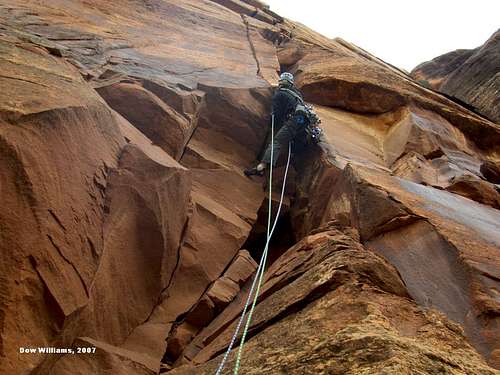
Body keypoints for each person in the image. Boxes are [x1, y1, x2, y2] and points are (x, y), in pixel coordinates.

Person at [244, 72, 310, 177]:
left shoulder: (279, 94)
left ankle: (261, 167)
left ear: (280, 83)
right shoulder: (297, 94)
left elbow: (276, 114)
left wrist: (271, 124)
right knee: (289, 140)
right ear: (291, 83)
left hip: (293, 121)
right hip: (304, 123)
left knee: (276, 142)